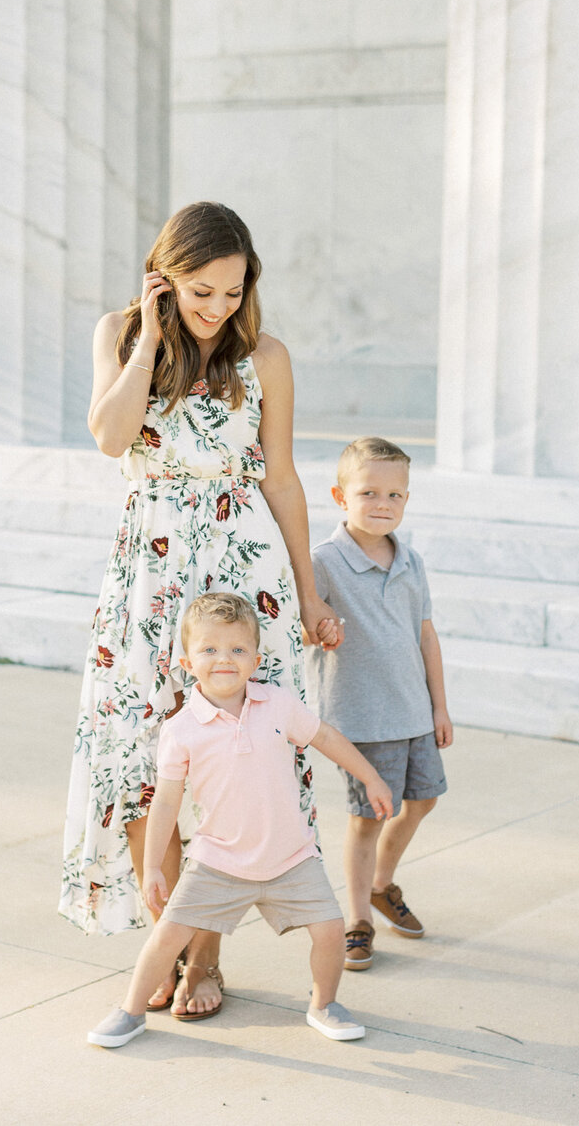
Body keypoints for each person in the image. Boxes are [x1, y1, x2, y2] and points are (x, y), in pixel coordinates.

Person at [60, 201, 342, 1021]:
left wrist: (309, 592)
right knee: (150, 761)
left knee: (229, 766)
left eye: (232, 289)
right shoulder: (121, 332)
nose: (217, 307)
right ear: (163, 278)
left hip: (241, 570)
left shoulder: (266, 357)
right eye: (198, 291)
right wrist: (150, 339)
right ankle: (171, 942)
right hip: (149, 578)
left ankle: (203, 960)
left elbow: (283, 479)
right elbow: (111, 437)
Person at [87, 593, 391, 1047]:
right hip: (218, 860)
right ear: (188, 663)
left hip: (291, 856)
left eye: (236, 649)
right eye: (209, 650)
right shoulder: (182, 728)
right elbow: (166, 804)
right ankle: (130, 1011)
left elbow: (325, 737)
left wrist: (371, 777)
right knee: (168, 936)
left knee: (330, 931)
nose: (223, 660)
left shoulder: (278, 705)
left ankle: (324, 1004)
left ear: (255, 659)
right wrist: (151, 868)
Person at [305, 436, 453, 971]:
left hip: (414, 711)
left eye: (394, 494)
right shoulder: (324, 561)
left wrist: (439, 707)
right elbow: (301, 625)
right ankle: (358, 920)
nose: (382, 503)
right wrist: (316, 630)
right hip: (362, 718)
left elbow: (427, 636)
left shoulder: (410, 560)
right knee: (368, 816)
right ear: (340, 495)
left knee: (423, 800)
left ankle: (382, 883)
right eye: (368, 492)